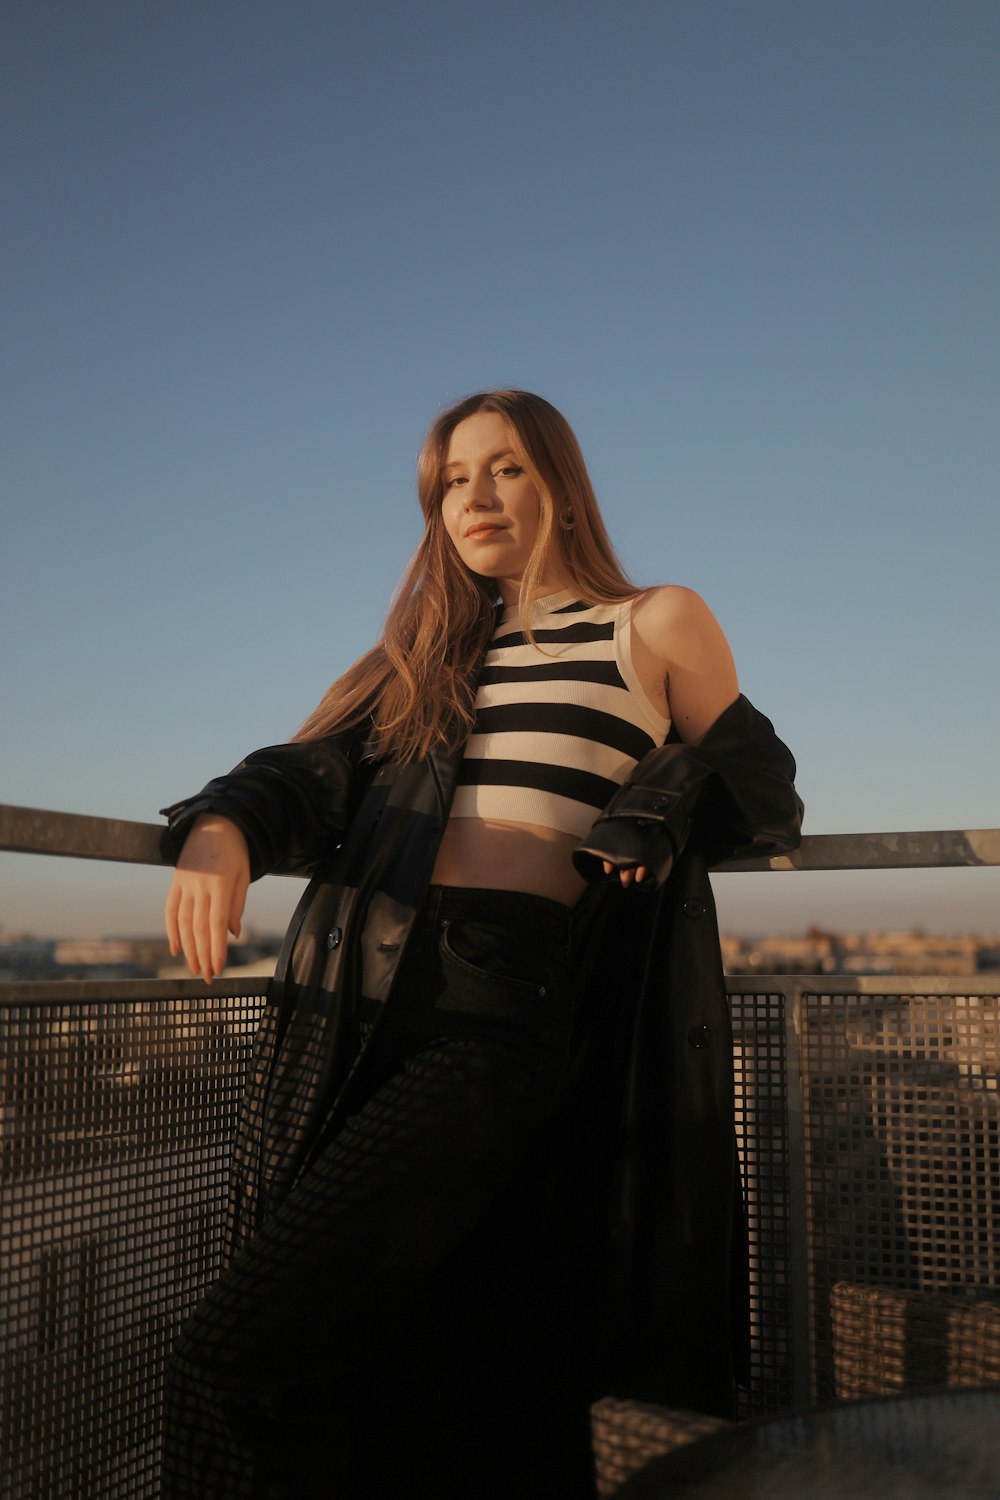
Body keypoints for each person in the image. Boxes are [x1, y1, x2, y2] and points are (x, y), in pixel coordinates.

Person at [159, 389, 803, 1499]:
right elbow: (304, 772)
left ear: (557, 483)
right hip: (358, 1009)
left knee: (233, 1357)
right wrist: (220, 826)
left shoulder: (649, 623)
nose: (474, 497)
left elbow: (760, 786)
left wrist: (659, 793)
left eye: (502, 468)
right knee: (402, 1359)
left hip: (496, 1008)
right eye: (450, 480)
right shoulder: (424, 657)